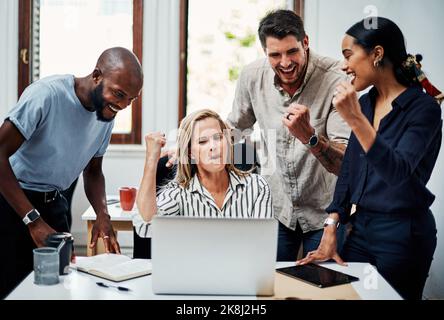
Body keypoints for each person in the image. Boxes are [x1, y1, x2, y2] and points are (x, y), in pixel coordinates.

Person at [297, 17, 442, 300]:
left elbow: (397, 171)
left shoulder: (423, 109)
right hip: (360, 229)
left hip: (404, 235)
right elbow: (350, 168)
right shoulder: (365, 102)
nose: (343, 65)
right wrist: (331, 225)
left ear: (377, 54)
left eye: (348, 55)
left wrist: (353, 118)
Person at [0, 47, 143, 298]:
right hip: (13, 203)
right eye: (119, 94)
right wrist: (32, 220)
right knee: (12, 288)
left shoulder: (106, 114)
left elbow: (94, 170)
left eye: (131, 99)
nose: (122, 105)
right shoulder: (46, 95)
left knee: (57, 290)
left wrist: (102, 214)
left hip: (55, 204)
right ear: (97, 75)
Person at [225, 10, 350, 261]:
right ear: (265, 52)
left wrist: (310, 136)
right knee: (269, 283)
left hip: (324, 212)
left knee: (323, 287)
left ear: (305, 42)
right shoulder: (252, 76)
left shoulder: (337, 78)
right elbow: (235, 128)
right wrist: (190, 144)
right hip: (277, 208)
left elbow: (345, 161)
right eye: (275, 55)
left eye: (292, 51)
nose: (285, 62)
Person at [133, 109, 273, 238]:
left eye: (218, 137)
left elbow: (262, 242)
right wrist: (151, 160)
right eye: (203, 141)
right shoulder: (178, 193)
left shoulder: (257, 186)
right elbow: (148, 226)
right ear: (190, 152)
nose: (214, 146)